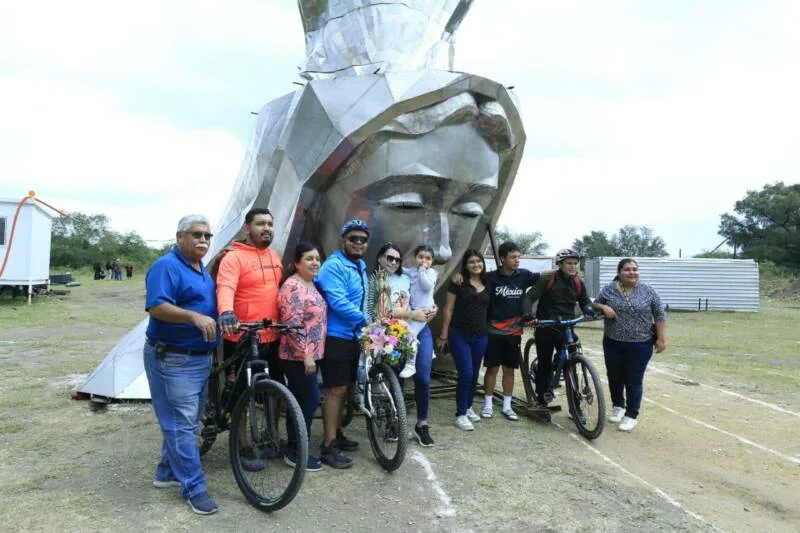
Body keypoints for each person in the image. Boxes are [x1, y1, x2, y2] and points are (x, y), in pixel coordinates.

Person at [142, 214, 219, 515]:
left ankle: (166, 472)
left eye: (207, 235)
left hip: (199, 358)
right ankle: (194, 487)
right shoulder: (166, 266)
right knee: (182, 425)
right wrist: (193, 317)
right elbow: (156, 306)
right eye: (196, 234)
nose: (203, 240)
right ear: (179, 237)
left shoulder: (200, 269)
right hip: (173, 358)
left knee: (185, 421)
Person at [215, 207, 284, 472]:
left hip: (271, 335)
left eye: (269, 224)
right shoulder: (233, 257)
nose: (266, 228)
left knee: (276, 389)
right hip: (241, 337)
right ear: (247, 227)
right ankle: (242, 444)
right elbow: (226, 286)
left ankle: (271, 435)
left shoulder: (274, 255)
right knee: (242, 393)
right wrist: (226, 312)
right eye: (260, 224)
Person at [314, 218, 371, 469]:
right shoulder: (333, 266)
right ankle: (328, 446)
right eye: (353, 238)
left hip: (353, 335)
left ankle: (336, 433)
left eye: (363, 239)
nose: (358, 243)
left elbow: (363, 299)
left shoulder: (360, 265)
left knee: (345, 387)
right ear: (343, 240)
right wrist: (366, 320)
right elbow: (337, 302)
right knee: (335, 390)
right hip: (335, 336)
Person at [592, 258, 667, 432]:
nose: (632, 272)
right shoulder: (609, 289)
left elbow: (660, 315)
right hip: (612, 342)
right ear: (619, 273)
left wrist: (661, 339)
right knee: (614, 376)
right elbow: (593, 304)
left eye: (635, 269)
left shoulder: (648, 291)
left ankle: (631, 415)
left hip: (640, 344)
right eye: (627, 269)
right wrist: (603, 307)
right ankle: (618, 406)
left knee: (633, 379)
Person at [278, 242, 327, 471]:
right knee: (309, 400)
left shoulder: (311, 283)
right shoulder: (292, 287)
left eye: (317, 258)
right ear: (297, 263)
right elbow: (291, 325)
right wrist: (305, 354)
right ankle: (296, 452)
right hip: (297, 356)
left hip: (311, 355)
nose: (315, 262)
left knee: (301, 401)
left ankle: (295, 449)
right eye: (309, 258)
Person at [480, 241, 540, 421]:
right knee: (492, 368)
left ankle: (507, 406)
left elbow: (543, 277)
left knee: (509, 369)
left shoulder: (524, 275)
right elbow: (470, 280)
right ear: (502, 258)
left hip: (514, 333)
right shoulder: (490, 278)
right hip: (493, 331)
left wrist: (562, 268)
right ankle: (488, 405)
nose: (517, 260)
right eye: (513, 257)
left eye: (519, 257)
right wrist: (458, 276)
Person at [526, 248, 592, 410]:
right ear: (560, 264)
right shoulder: (548, 279)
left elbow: (584, 300)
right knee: (545, 363)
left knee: (572, 360)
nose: (573, 266)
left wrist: (589, 309)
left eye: (575, 263)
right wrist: (528, 314)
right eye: (569, 263)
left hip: (566, 327)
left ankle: (575, 406)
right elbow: (530, 296)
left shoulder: (578, 282)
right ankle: (542, 397)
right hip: (546, 326)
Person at [436, 249, 490, 431]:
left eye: (478, 261)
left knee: (474, 374)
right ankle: (460, 414)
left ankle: (468, 406)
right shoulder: (458, 282)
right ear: (465, 265)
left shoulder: (488, 282)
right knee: (466, 373)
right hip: (459, 334)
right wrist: (444, 335)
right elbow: (448, 309)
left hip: (481, 335)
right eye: (471, 262)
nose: (476, 264)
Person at [405, 244, 438, 446]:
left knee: (423, 378)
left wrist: (424, 270)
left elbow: (427, 288)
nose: (424, 261)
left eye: (428, 258)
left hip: (422, 326)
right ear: (415, 257)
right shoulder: (407, 273)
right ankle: (395, 420)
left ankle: (422, 423)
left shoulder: (430, 273)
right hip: (404, 324)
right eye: (420, 257)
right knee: (399, 375)